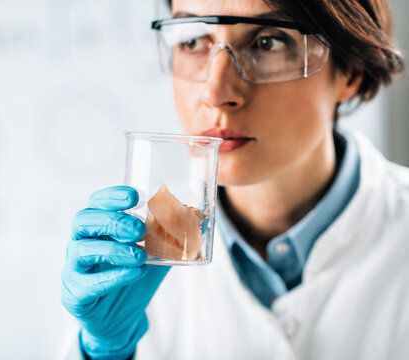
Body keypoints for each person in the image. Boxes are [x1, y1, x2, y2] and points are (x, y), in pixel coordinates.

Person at [61, 0, 408, 358]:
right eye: (194, 40)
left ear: (350, 70)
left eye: (268, 42)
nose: (215, 92)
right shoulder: (133, 252)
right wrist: (106, 351)